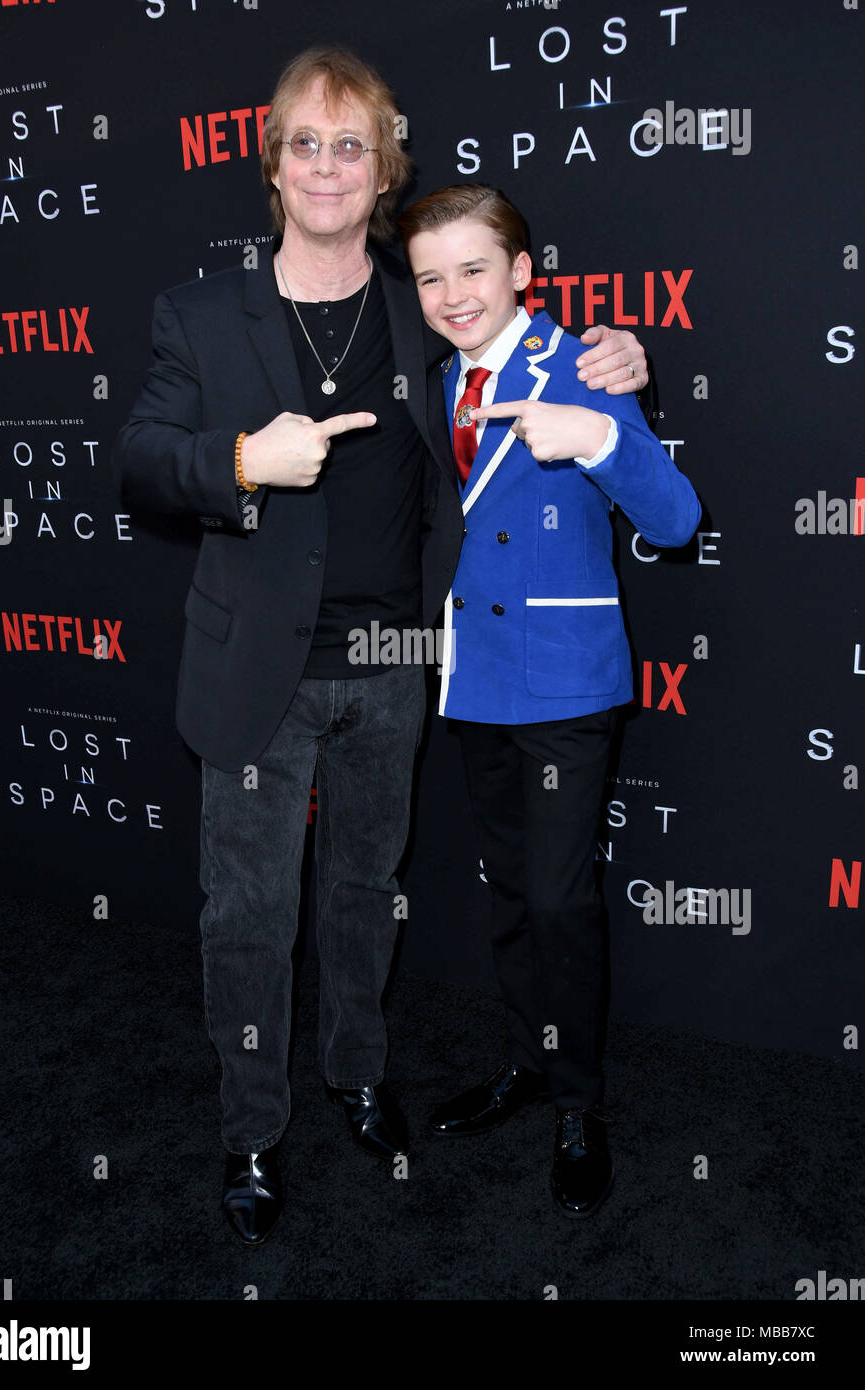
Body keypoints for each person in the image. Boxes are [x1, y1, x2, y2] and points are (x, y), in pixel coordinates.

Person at [114, 47, 649, 1246]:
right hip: (257, 671)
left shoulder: (420, 305)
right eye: (302, 142)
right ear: (271, 163)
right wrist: (244, 461)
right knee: (246, 916)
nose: (324, 166)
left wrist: (617, 357)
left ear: (380, 168)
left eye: (347, 145)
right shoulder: (200, 315)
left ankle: (356, 1076)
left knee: (363, 896)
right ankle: (251, 1132)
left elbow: (523, 335)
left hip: (395, 665)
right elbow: (142, 458)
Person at [397, 184, 700, 1216]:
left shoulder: (581, 364)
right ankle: (531, 1060)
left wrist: (601, 440)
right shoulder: (435, 381)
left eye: (472, 268)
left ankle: (578, 1106)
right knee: (512, 891)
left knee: (563, 901)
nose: (452, 293)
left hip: (563, 679)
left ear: (524, 271)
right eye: (431, 275)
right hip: (474, 676)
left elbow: (673, 518)